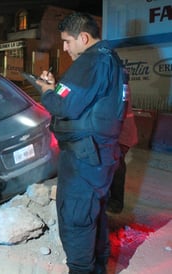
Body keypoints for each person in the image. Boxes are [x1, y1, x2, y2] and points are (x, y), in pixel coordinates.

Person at [34, 12, 127, 274]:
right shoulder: (110, 59)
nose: (64, 48)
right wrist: (56, 87)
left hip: (84, 159)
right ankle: (98, 268)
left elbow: (63, 105)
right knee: (93, 216)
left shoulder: (91, 61)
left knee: (76, 219)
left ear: (83, 38)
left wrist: (46, 92)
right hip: (101, 156)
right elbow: (80, 98)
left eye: (67, 41)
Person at [107, 80, 138, 214]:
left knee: (116, 166)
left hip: (121, 134)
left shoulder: (116, 83)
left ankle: (116, 202)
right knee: (113, 166)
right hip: (119, 133)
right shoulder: (116, 79)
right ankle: (112, 200)